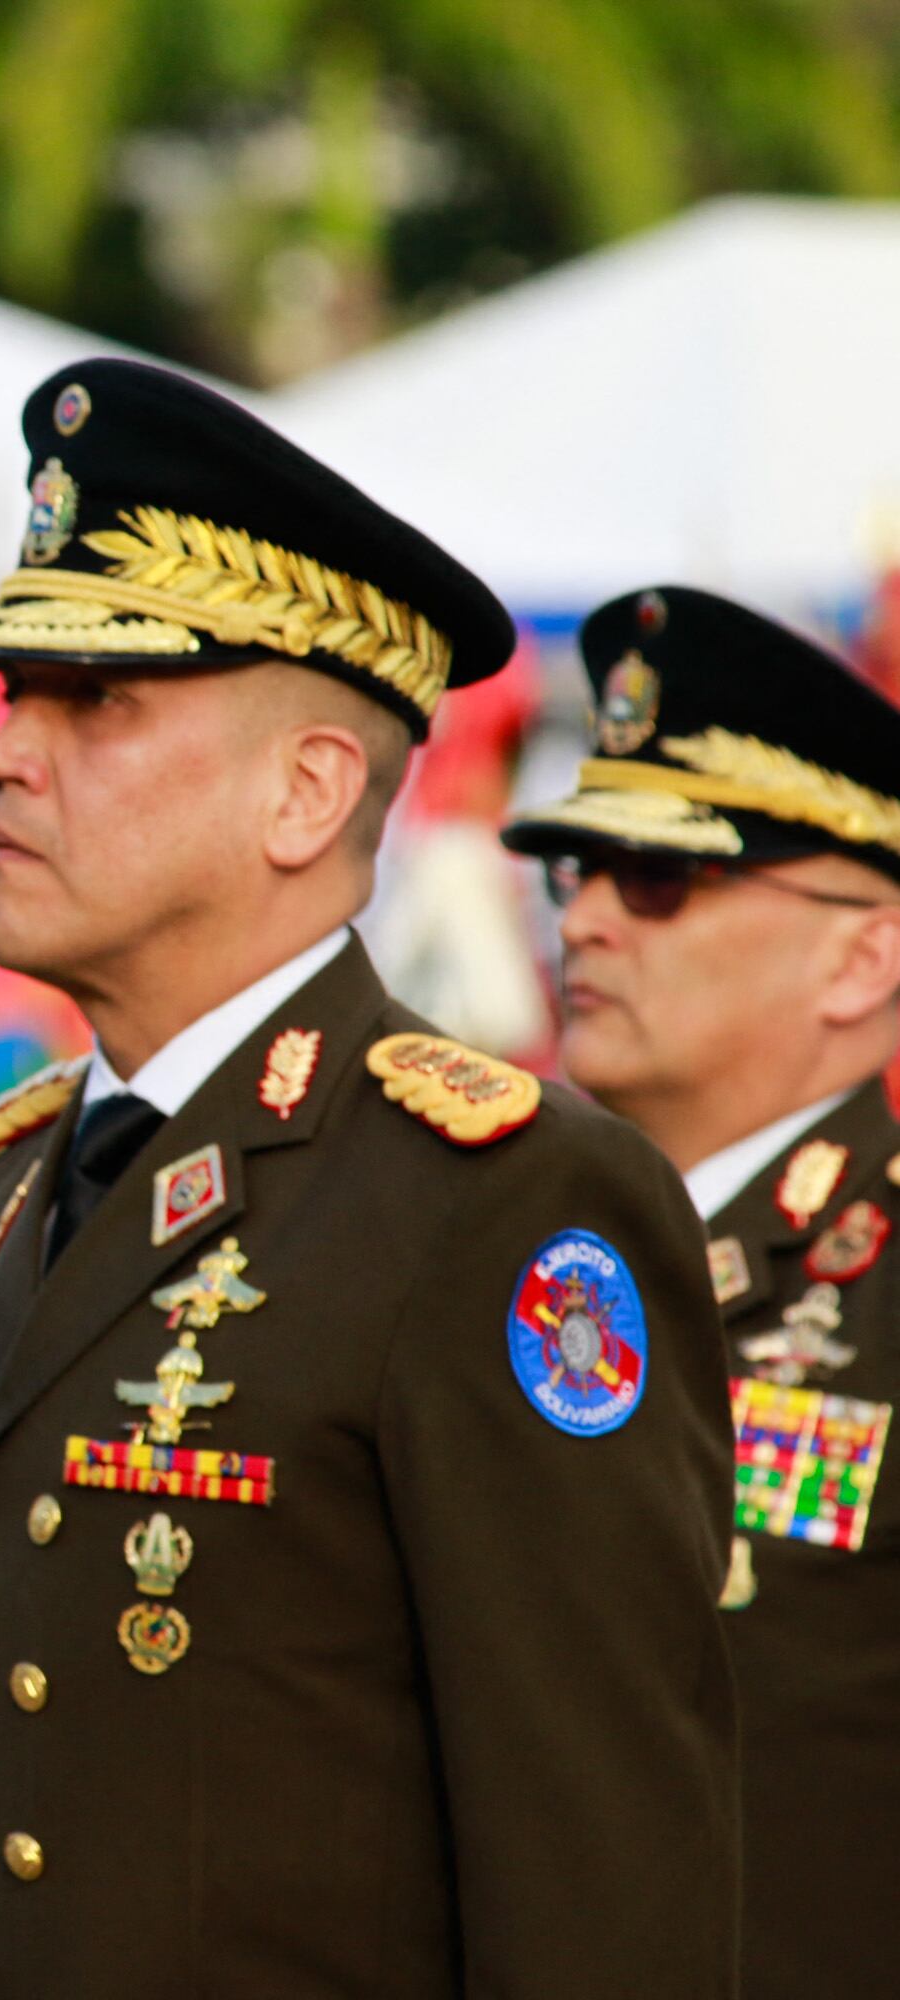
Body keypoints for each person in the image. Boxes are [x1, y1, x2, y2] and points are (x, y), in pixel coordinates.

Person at [0, 360, 738, 1998]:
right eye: (10, 698)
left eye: (96, 704)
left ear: (308, 792)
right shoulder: (13, 1186)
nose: (3, 755)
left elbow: (601, 1893)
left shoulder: (501, 1205)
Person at [501, 585, 900, 1995]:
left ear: (862, 954)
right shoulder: (501, 1250)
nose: (589, 919)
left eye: (658, 879)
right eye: (573, 872)